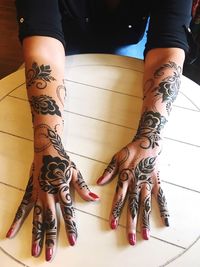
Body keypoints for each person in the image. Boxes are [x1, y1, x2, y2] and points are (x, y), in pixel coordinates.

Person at [6, 0, 193, 262]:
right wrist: (48, 144)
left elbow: (167, 46)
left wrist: (149, 137)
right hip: (57, 51)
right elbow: (43, 50)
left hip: (129, 53)